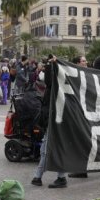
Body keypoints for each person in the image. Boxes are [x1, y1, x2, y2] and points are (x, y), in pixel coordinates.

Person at [31, 55, 68, 188]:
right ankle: (60, 177)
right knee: (53, 148)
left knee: (46, 149)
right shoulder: (62, 85)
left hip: (54, 120)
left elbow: (49, 80)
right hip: (57, 119)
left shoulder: (55, 86)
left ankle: (38, 176)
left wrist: (50, 65)